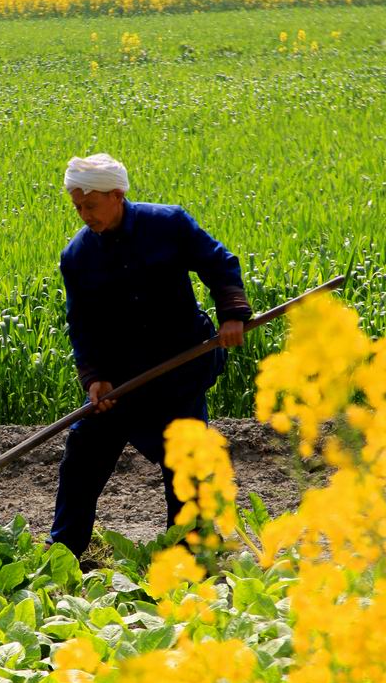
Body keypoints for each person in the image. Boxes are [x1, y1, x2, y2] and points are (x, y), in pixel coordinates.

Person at [48, 152, 252, 559]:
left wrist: (231, 316)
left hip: (182, 365)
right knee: (84, 453)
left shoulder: (168, 224)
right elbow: (82, 323)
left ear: (117, 195)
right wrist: (94, 379)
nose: (84, 215)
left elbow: (219, 262)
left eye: (90, 205)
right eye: (77, 207)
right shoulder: (78, 257)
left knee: (185, 460)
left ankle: (191, 551)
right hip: (124, 378)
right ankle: (63, 552)